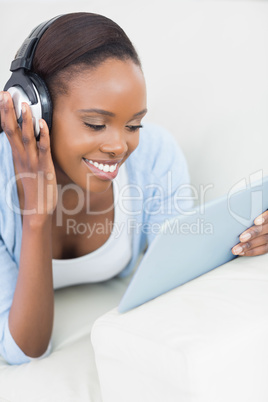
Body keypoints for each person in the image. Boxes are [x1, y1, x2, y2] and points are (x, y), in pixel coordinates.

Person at [0, 12, 267, 366]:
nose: (119, 146)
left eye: (134, 124)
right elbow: (25, 351)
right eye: (95, 124)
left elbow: (180, 270)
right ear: (33, 111)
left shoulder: (155, 156)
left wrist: (244, 241)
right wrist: (36, 217)